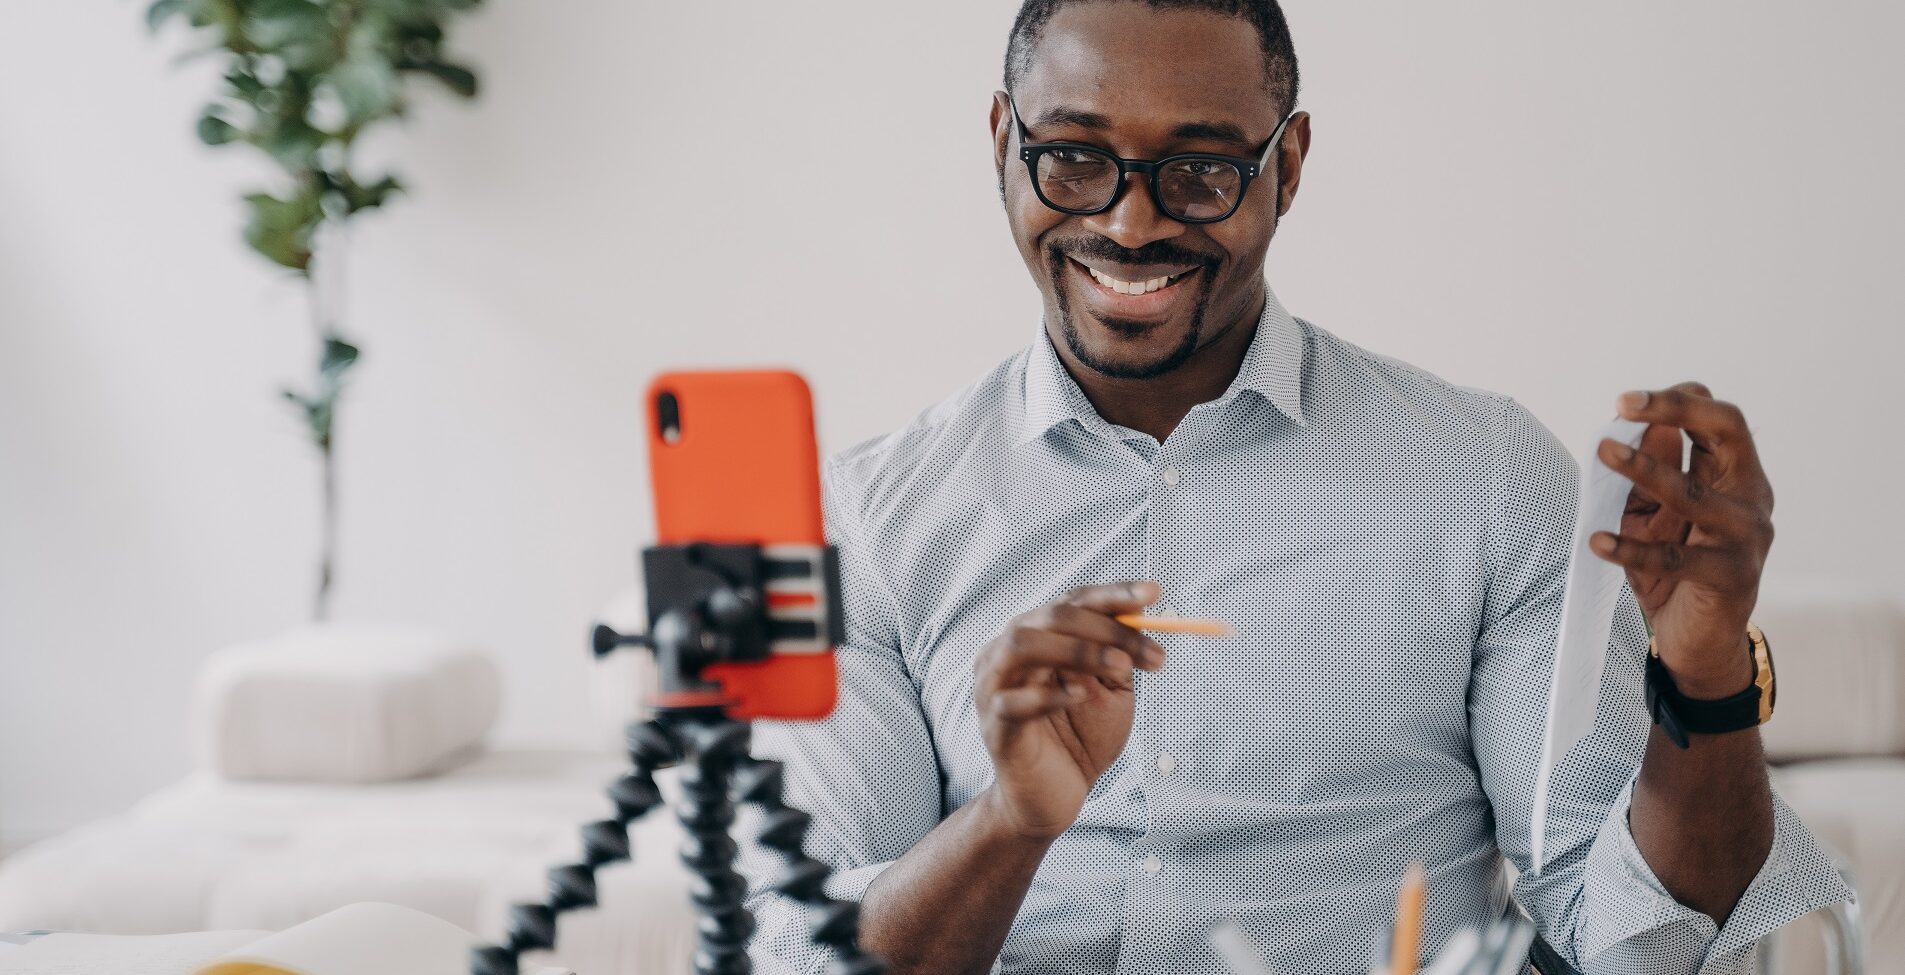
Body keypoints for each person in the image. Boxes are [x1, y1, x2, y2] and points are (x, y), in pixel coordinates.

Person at [743, 2, 1853, 973]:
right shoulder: (869, 518)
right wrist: (1008, 820)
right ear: (1002, 141)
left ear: (1289, 163)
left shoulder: (1483, 474)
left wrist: (1704, 666)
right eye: (1074, 157)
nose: (1130, 223)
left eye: (1201, 169)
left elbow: (1641, 935)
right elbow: (802, 952)